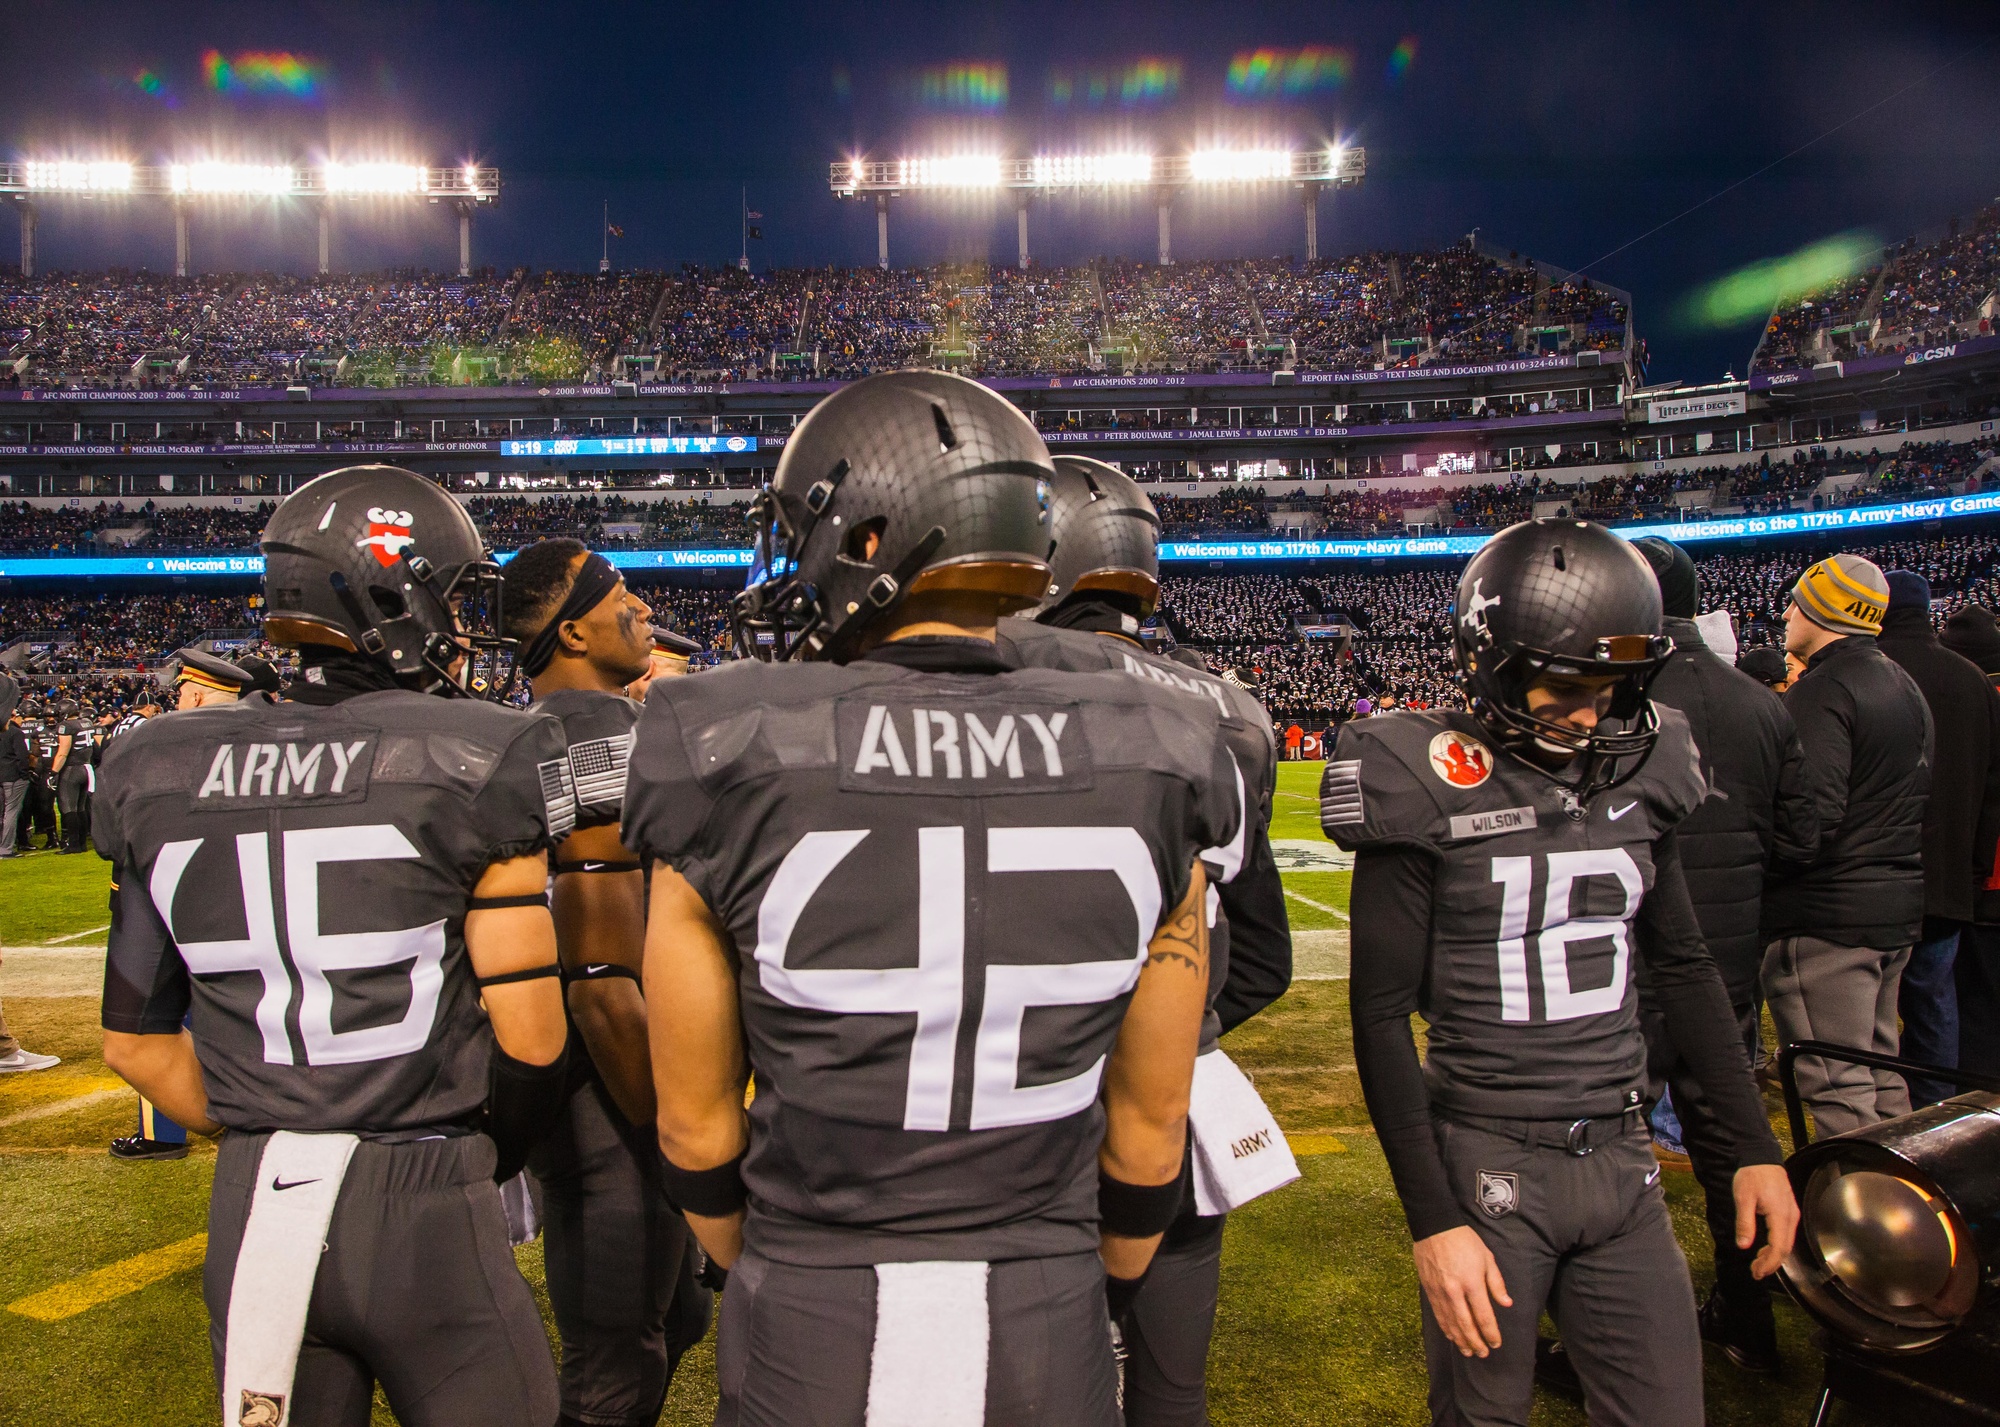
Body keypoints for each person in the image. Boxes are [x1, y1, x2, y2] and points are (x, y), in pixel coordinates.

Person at [625, 372, 1241, 1427]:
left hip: (813, 1298)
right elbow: (1148, 1131)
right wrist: (1076, 1281)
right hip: (1042, 1301)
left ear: (867, 537)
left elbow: (690, 1125)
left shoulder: (721, 739)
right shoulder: (1163, 745)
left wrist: (777, 1260)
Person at [94, 465, 571, 1426]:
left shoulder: (154, 762)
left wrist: (273, 1125)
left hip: (256, 1200)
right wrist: (474, 1157)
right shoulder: (477, 750)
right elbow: (533, 1041)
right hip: (426, 1196)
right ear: (394, 591)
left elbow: (134, 1044)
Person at [1326, 519, 1796, 1427]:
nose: (1595, 716)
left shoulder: (1648, 761)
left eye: (1614, 689)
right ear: (1493, 663)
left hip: (1622, 1161)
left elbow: (1687, 963)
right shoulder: (1417, 770)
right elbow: (1380, 1014)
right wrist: (1433, 1219)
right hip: (1490, 1159)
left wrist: (1752, 1146)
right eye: (1571, 688)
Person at [997, 456, 1295, 1427]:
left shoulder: (978, 692)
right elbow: (1263, 956)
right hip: (1176, 1103)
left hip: (1018, 1106)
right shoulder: (1231, 715)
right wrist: (1181, 1031)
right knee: (1169, 1389)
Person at [502, 538, 713, 1427]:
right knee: (614, 1362)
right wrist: (676, 1136)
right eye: (620, 592)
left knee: (674, 1314)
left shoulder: (522, 730)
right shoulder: (602, 730)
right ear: (573, 631)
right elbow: (599, 977)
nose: (642, 605)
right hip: (612, 1087)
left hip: (566, 1079)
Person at [1622, 537, 1817, 1374]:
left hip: (1636, 956)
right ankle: (1746, 1315)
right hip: (1730, 959)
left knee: (1610, 1151)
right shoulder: (1767, 702)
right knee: (1727, 1143)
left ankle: (1624, 1341)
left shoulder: (1623, 696)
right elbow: (1801, 835)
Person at [1763, 554, 1933, 1138]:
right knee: (1883, 1080)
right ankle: (1919, 1213)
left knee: (1841, 1091)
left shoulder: (1825, 689)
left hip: (1830, 917)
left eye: (1796, 603)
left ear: (1822, 608)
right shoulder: (1900, 682)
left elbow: (1811, 816)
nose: (1786, 614)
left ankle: (1864, 1225)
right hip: (1891, 909)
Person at [109, 652, 259, 1163]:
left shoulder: (161, 754)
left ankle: (169, 1129)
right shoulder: (263, 748)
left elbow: (115, 840)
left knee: (158, 1018)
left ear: (193, 695)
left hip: (179, 902)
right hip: (259, 908)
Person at [1876, 571, 2000, 1107]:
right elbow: (1991, 790)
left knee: (1873, 1005)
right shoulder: (1972, 679)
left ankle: (1881, 1112)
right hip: (1950, 874)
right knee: (1933, 999)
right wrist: (1974, 869)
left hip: (1877, 872)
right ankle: (1935, 1112)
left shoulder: (1870, 671)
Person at [0, 704, 30, 859]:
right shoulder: (15, 733)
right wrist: (25, 774)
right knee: (11, 812)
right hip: (13, 777)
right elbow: (22, 756)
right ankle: (5, 849)